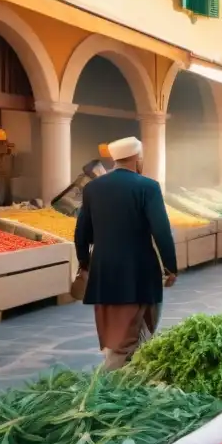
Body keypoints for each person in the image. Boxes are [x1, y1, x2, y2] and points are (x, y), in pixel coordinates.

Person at [74, 136, 178, 371]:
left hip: (104, 273)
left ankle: (132, 380)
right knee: (133, 338)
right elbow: (161, 231)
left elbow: (81, 233)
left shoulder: (93, 188)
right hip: (139, 273)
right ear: (136, 158)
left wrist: (85, 263)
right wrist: (170, 267)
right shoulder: (147, 187)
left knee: (118, 336)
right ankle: (108, 389)